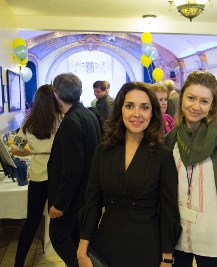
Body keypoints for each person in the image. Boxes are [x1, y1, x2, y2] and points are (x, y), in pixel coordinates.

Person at [77, 82, 181, 267]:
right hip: (107, 243)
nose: (137, 114)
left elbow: (168, 209)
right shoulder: (103, 151)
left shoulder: (162, 156)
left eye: (144, 107)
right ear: (120, 110)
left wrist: (167, 257)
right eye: (129, 106)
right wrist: (83, 247)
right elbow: (92, 200)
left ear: (152, 113)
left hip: (147, 246)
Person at [164, 71, 217, 266]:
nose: (195, 106)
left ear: (212, 106)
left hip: (214, 236)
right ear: (181, 98)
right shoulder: (170, 140)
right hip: (176, 236)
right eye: (191, 98)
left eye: (204, 101)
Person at [48, 73, 101, 267]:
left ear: (56, 95)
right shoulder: (87, 113)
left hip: (74, 200)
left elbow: (71, 171)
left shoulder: (71, 121)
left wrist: (59, 204)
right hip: (85, 196)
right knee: (79, 243)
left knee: (59, 238)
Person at [12, 85, 63, 267]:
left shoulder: (27, 123)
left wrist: (33, 152)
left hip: (37, 176)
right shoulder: (62, 120)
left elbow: (15, 149)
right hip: (57, 177)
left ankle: (19, 262)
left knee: (32, 222)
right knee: (63, 220)